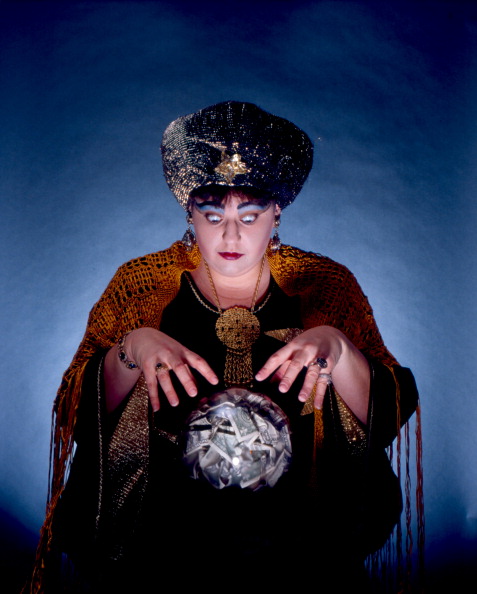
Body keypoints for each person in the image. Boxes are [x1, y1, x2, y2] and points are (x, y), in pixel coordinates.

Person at [27, 101, 422, 593]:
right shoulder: (141, 287)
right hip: (165, 547)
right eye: (212, 216)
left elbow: (386, 412)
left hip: (297, 549)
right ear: (189, 212)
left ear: (276, 212)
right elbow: (78, 410)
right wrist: (132, 349)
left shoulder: (326, 286)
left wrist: (339, 350)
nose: (230, 235)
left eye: (250, 216)